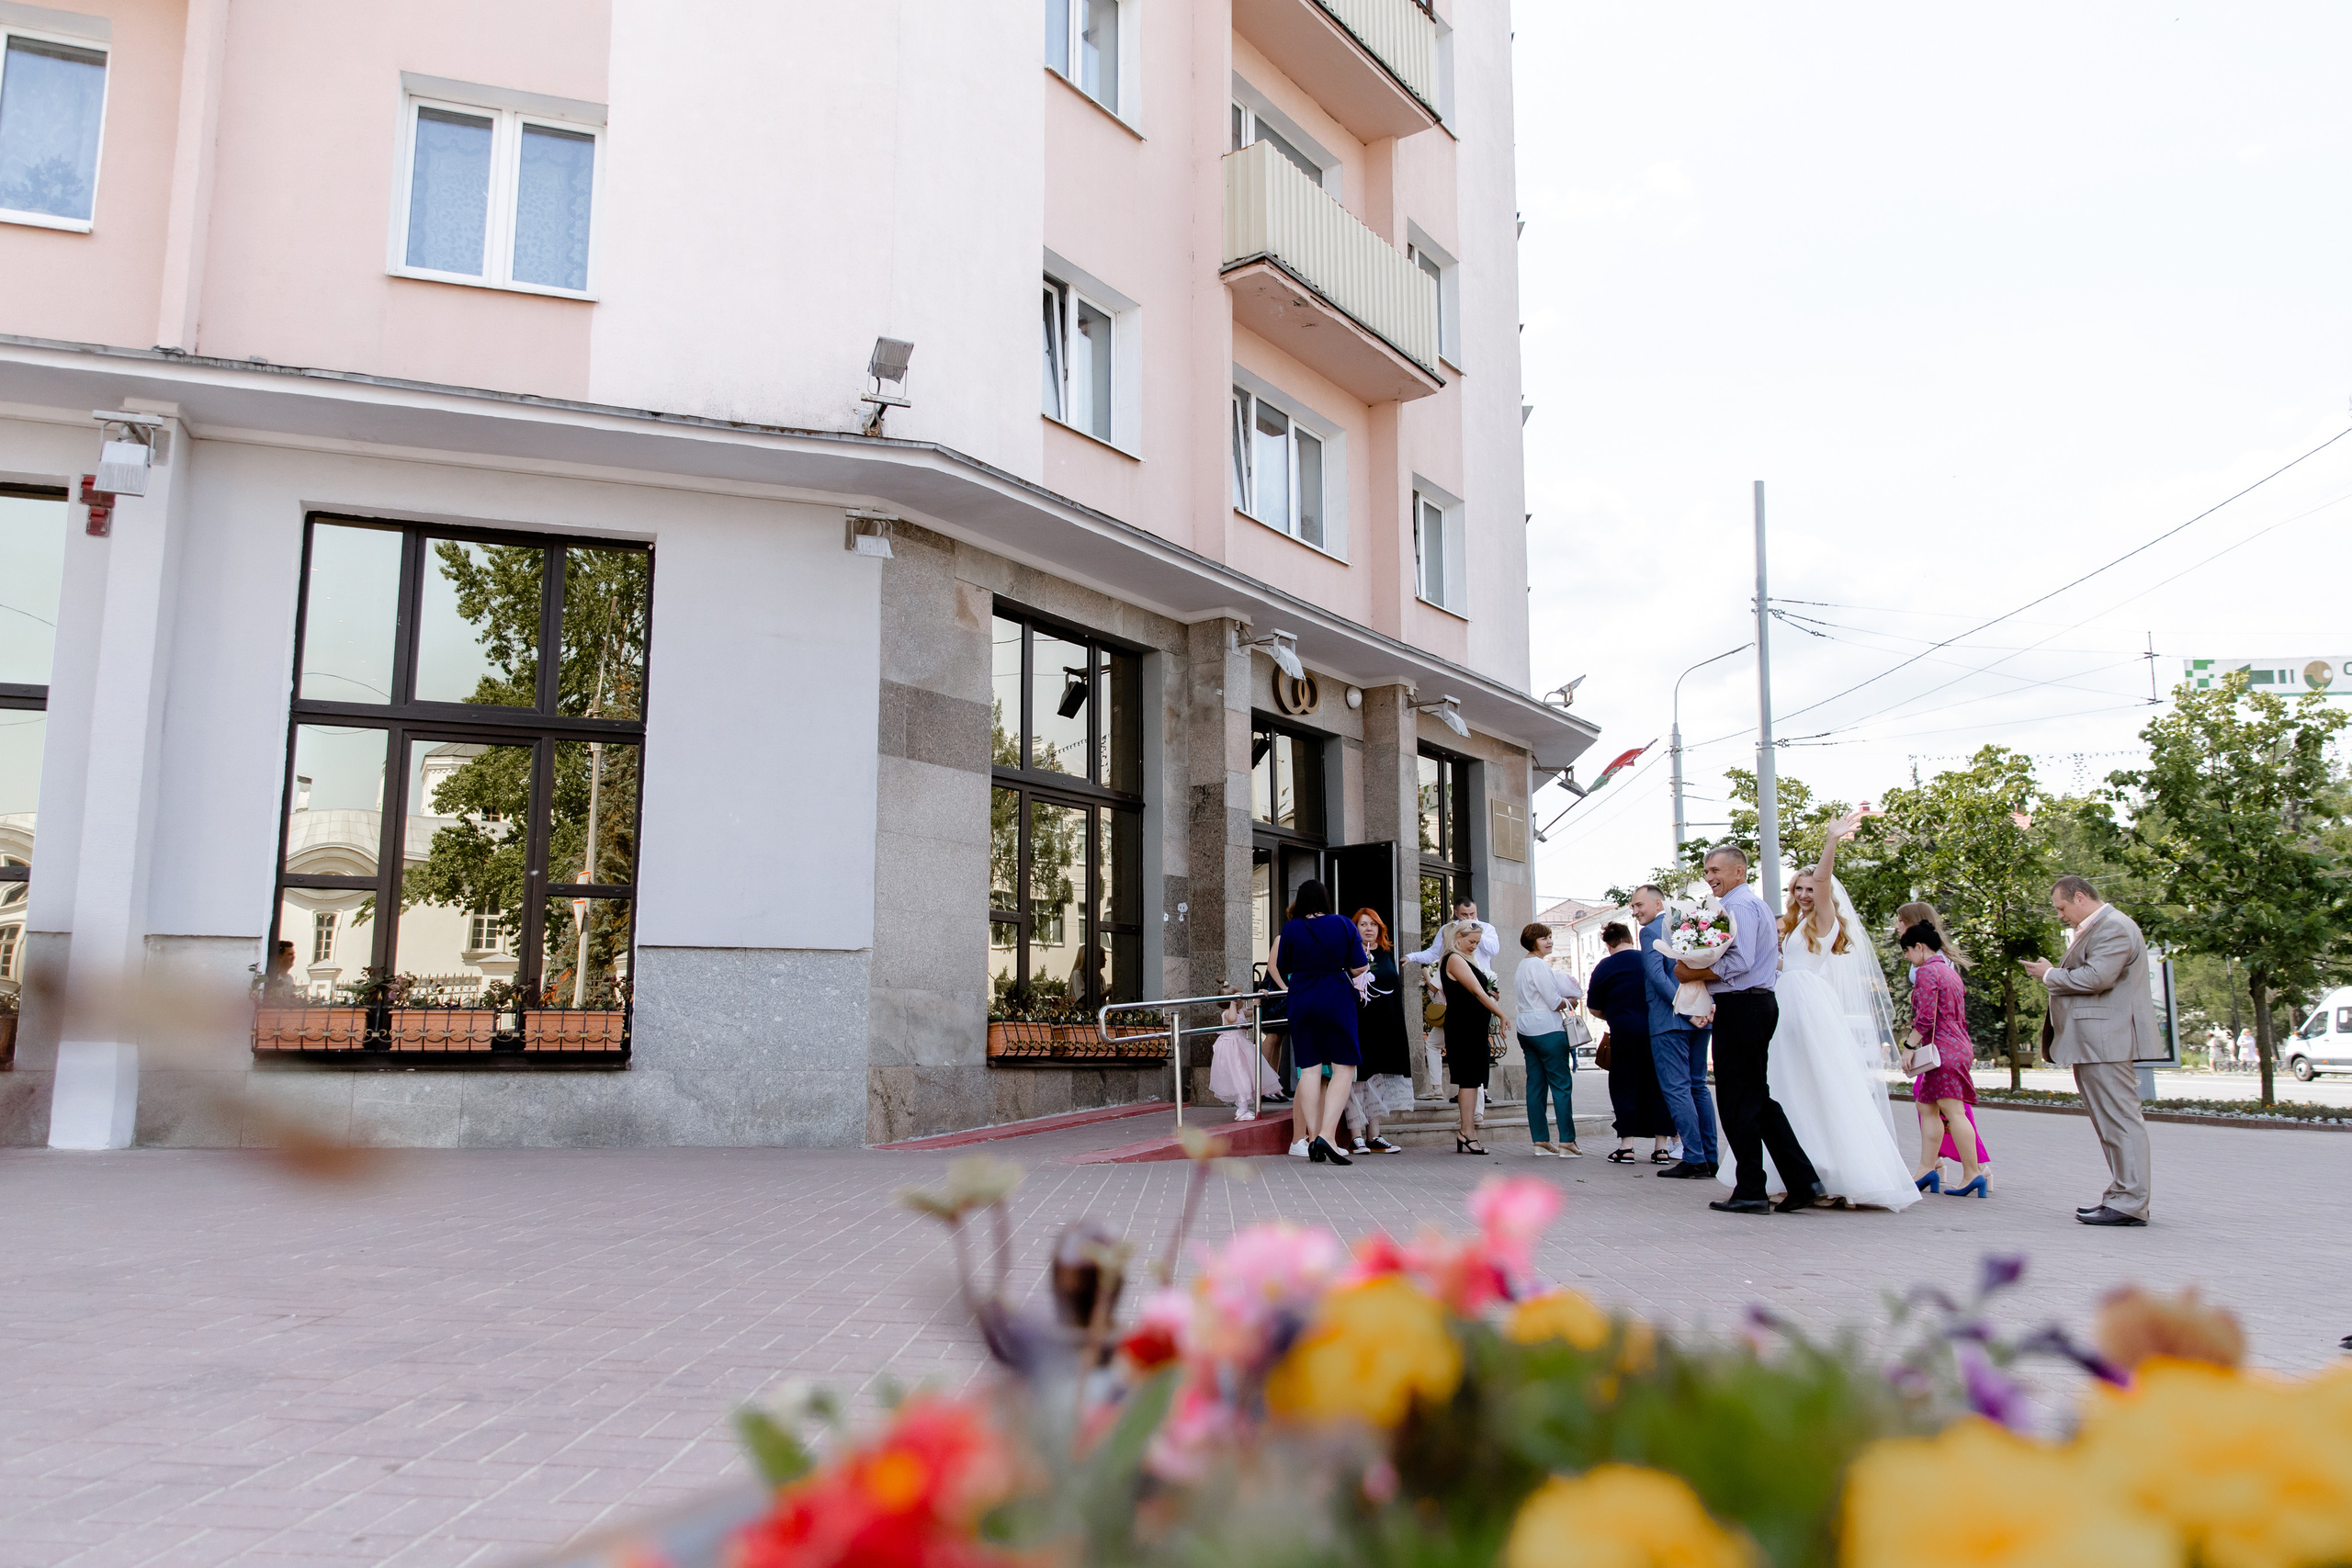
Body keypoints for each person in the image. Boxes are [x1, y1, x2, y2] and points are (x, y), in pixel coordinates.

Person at [1717, 810, 1922, 1212]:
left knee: (1817, 1083)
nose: (1805, 895)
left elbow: (1825, 881)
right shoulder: (1794, 926)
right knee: (1786, 1086)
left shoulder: (1825, 921)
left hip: (1807, 1007)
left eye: (1810, 889)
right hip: (1783, 1001)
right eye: (1799, 889)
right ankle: (1800, 1175)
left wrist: (1830, 841)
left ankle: (1830, 1174)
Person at [1685, 845, 1825, 1215]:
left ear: (1739, 872)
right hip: (1749, 1006)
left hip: (1744, 1005)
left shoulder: (1741, 907)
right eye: (1707, 871)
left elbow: (1741, 961)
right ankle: (1802, 1180)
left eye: (1716, 870)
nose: (1710, 877)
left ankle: (1751, 1190)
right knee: (1756, 1100)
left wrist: (1691, 971)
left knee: (1736, 1102)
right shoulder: (1745, 905)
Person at [2025, 874, 2159, 1227]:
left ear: (2080, 897)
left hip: (2106, 1040)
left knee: (2119, 1122)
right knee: (2111, 1123)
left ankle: (2129, 1202)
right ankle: (2122, 1196)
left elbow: (2098, 977)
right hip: (2098, 1041)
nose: (2060, 915)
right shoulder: (2105, 925)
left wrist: (2049, 974)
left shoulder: (2113, 927)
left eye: (2062, 907)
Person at [1266, 878, 1368, 1166]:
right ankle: (1327, 1135)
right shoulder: (1344, 924)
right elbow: (1359, 965)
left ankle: (1313, 1139)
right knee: (1344, 1067)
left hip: (1302, 998)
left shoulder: (1291, 928)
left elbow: (1283, 967)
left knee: (1308, 1070)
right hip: (1336, 997)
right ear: (1325, 899)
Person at [1631, 885, 1718, 1179]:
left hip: (1671, 1019)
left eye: (1639, 905)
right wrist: (1707, 1006)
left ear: (1658, 903)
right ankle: (1710, 1156)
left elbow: (1657, 976)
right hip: (1701, 1017)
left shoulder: (1651, 931)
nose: (1635, 911)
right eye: (1632, 907)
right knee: (1698, 1087)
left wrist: (1685, 1009)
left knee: (1678, 1088)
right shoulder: (1690, 925)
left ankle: (1694, 1157)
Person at [1900, 921, 1988, 1196]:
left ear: (1919, 947)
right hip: (1957, 1045)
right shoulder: (1949, 971)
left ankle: (1973, 1173)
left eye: (1907, 951)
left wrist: (1909, 1046)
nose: (1906, 957)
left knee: (1954, 1112)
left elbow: (1926, 1016)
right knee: (1926, 1106)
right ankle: (1927, 1168)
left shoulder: (1927, 972)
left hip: (1942, 1049)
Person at [1585, 921, 1675, 1163]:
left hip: (1624, 1033)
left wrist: (1615, 1015)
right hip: (1656, 1030)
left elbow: (1593, 1007)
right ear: (1630, 938)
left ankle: (1626, 1147)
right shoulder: (1649, 959)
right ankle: (1662, 1148)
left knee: (1624, 1085)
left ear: (1608, 944)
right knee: (1658, 1086)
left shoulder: (1605, 966)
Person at [1513, 922, 1586, 1157]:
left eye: (1550, 936)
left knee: (1535, 1086)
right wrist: (1570, 1002)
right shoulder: (1540, 966)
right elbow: (1554, 1002)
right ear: (1533, 941)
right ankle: (1567, 1141)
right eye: (1544, 938)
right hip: (1548, 1029)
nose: (1550, 941)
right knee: (1561, 1086)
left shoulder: (1521, 966)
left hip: (1525, 1029)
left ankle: (1540, 1141)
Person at [1441, 919, 1510, 1155]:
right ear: (1457, 937)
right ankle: (1467, 1132)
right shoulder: (1454, 958)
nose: (1474, 946)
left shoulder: (1463, 959)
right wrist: (1501, 1014)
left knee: (1472, 1081)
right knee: (1469, 1080)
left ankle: (1467, 1132)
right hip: (1464, 1028)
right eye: (1471, 941)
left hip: (1471, 1027)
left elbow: (1477, 991)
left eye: (1477, 942)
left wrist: (1490, 995)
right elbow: (1476, 992)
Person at [1348, 908, 1413, 1154]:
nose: (1369, 928)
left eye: (1373, 924)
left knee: (1376, 1078)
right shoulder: (1349, 954)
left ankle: (1374, 1135)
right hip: (1358, 1023)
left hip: (1383, 1025)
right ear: (1355, 929)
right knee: (1356, 1079)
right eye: (1363, 924)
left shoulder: (1386, 954)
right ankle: (1356, 1136)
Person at [1206, 987, 1280, 1119]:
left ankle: (1243, 1108)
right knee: (1240, 1078)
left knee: (1246, 1076)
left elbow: (1253, 1011)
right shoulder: (1227, 1014)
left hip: (1242, 1047)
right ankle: (1242, 1110)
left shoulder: (1240, 1011)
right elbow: (1233, 1018)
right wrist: (1233, 1002)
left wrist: (1258, 996)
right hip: (1231, 1050)